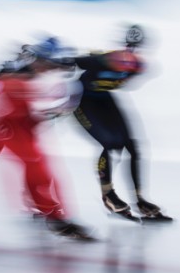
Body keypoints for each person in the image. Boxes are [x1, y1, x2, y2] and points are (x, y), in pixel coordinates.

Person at [0, 38, 93, 240]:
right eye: (49, 65)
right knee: (35, 163)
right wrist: (52, 109)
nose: (51, 70)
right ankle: (54, 218)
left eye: (54, 66)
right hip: (6, 118)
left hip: (12, 114)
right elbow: (20, 101)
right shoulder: (16, 79)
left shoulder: (32, 69)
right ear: (38, 60)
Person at [72, 25, 172, 222]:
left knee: (134, 147)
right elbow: (70, 62)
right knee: (111, 144)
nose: (125, 64)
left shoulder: (139, 67)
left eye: (129, 63)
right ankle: (108, 195)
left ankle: (140, 199)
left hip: (103, 99)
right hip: (81, 101)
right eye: (121, 62)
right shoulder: (103, 60)